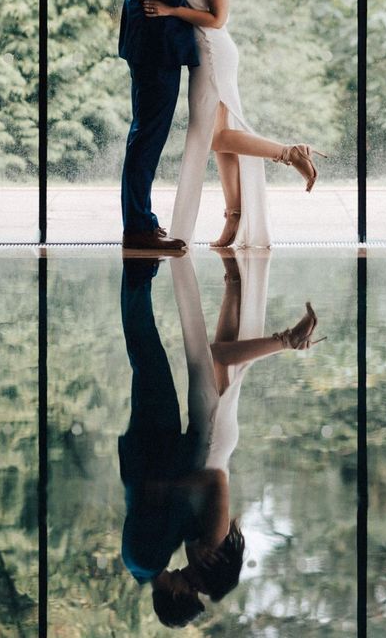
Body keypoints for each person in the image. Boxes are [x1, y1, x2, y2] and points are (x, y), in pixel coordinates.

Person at [118, 253, 322, 627]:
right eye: (199, 587)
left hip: (214, 446)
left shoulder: (182, 550)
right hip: (211, 447)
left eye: (190, 592)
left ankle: (234, 283)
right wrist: (169, 486)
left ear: (177, 595)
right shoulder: (205, 545)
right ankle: (288, 340)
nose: (193, 585)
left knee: (220, 361)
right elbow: (215, 482)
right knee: (216, 357)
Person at [144, 0, 325, 249]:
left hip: (212, 51)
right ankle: (235, 215)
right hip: (208, 51)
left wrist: (171, 11)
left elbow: (217, 18)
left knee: (214, 137)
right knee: (221, 138)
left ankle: (289, 153)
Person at [119, 0, 227, 253]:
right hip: (155, 46)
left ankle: (142, 221)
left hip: (149, 43)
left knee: (145, 134)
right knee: (147, 136)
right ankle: (138, 228)